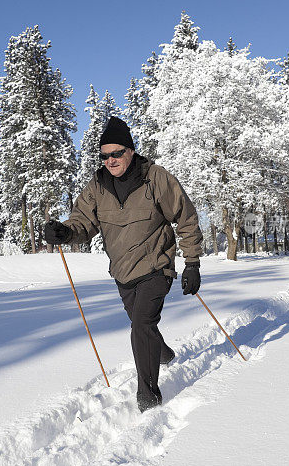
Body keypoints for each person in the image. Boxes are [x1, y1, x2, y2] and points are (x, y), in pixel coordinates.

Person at [44, 116, 203, 413]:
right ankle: (163, 353)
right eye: (104, 155)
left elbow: (185, 216)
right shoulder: (97, 186)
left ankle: (148, 398)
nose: (110, 160)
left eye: (116, 153)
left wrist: (191, 263)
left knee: (142, 324)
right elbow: (82, 222)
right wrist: (65, 232)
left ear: (130, 150)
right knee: (141, 324)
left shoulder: (155, 178)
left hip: (157, 265)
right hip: (122, 272)